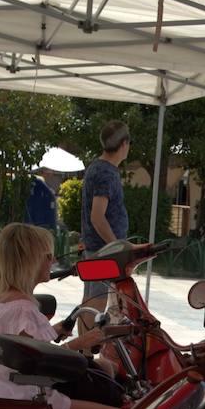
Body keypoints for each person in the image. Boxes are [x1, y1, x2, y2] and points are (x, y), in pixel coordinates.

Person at [0, 223, 124, 409]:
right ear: (31, 262)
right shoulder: (23, 309)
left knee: (105, 368)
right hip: (27, 397)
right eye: (48, 256)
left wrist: (53, 330)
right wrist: (82, 342)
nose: (53, 260)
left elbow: (22, 346)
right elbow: (46, 365)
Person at [80, 120, 131, 329]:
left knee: (91, 302)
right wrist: (117, 247)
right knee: (96, 303)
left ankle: (84, 352)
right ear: (124, 143)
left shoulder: (97, 167)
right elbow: (97, 216)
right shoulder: (106, 173)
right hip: (102, 251)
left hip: (96, 248)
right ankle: (85, 352)